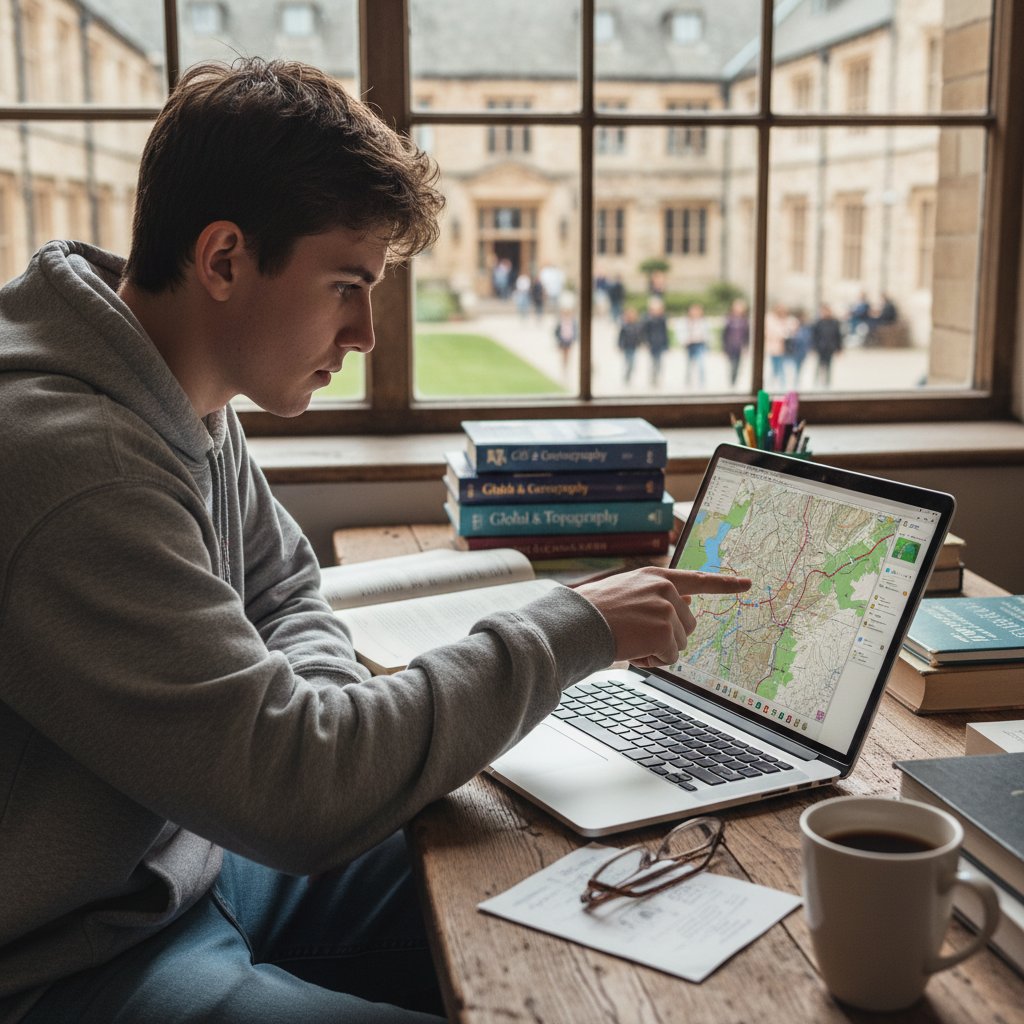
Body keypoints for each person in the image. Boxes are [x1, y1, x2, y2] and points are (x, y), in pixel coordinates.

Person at [0, 57, 752, 1024]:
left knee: (569, 882)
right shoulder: (82, 467)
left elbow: (284, 589)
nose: (364, 334)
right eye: (346, 286)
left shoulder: (170, 378)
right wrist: (572, 627)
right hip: (71, 958)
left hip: (193, 859)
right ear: (224, 260)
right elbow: (299, 792)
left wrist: (325, 717)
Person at [677, 302, 709, 390]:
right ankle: (688, 382)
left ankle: (702, 383)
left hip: (699, 344)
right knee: (689, 364)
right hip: (690, 344)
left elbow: (707, 334)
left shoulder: (703, 321)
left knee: (701, 364)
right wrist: (685, 340)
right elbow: (681, 333)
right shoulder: (685, 321)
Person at [812, 302, 844, 387]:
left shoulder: (834, 323)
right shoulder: (818, 323)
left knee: (828, 366)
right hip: (821, 347)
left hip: (830, 348)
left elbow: (838, 336)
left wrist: (839, 348)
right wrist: (814, 348)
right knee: (819, 366)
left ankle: (827, 383)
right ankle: (816, 382)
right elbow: (814, 336)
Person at [721, 298, 749, 388]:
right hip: (730, 345)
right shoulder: (729, 319)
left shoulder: (744, 320)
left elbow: (747, 334)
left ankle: (734, 381)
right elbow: (724, 334)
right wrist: (724, 346)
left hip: (739, 346)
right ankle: (731, 381)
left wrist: (746, 346)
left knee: (737, 365)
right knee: (732, 364)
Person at [642, 295, 670, 387]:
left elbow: (665, 332)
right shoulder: (648, 320)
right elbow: (645, 332)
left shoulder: (662, 319)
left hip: (660, 343)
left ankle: (657, 377)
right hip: (652, 343)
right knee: (653, 361)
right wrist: (645, 342)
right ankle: (653, 377)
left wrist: (666, 343)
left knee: (659, 362)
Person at [617, 304, 644, 385]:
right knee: (628, 362)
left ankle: (628, 375)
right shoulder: (624, 326)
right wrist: (620, 345)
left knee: (632, 363)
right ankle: (626, 376)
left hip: (633, 347)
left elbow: (639, 336)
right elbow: (621, 337)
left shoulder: (637, 326)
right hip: (626, 347)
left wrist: (640, 343)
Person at [553, 307, 578, 374]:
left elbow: (575, 331)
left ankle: (566, 366)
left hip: (569, 340)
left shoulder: (573, 322)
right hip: (562, 340)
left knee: (568, 354)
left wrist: (574, 339)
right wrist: (558, 339)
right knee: (563, 354)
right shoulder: (561, 322)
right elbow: (556, 331)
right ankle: (564, 366)